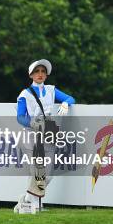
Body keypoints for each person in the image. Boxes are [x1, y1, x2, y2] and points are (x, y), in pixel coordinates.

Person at [14, 59, 75, 214]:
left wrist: (65, 104)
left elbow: (70, 98)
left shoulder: (51, 90)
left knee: (48, 173)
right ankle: (34, 204)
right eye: (37, 71)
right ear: (31, 75)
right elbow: (20, 117)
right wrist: (34, 123)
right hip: (31, 135)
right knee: (38, 170)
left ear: (46, 75)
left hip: (48, 132)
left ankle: (27, 198)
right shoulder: (25, 94)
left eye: (43, 71)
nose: (40, 74)